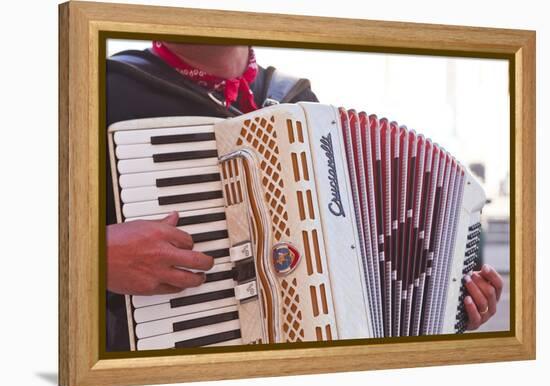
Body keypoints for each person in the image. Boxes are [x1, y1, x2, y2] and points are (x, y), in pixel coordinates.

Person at [105, 41, 503, 351]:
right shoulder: (108, 90)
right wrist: (95, 258)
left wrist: (446, 307)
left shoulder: (298, 104)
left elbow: (349, 270)